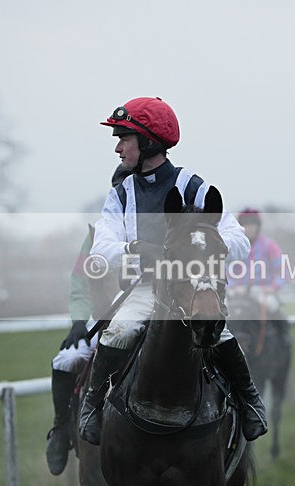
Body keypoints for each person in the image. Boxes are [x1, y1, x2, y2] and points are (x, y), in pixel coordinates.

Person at [77, 96, 267, 445]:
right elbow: (102, 247)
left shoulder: (194, 186)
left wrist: (204, 247)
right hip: (145, 290)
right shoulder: (121, 194)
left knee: (221, 334)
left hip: (192, 286)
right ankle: (91, 407)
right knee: (117, 331)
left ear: (148, 142)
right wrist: (136, 250)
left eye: (124, 139)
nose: (118, 148)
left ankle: (250, 401)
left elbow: (236, 240)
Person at [45, 167, 127, 476]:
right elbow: (80, 282)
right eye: (120, 191)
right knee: (64, 360)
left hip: (149, 317)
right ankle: (61, 430)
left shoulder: (156, 229)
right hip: (104, 322)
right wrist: (79, 321)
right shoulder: (95, 236)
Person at [229, 208, 290, 339]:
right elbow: (225, 271)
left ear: (258, 226)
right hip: (237, 292)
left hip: (262, 292)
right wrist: (232, 286)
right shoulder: (234, 247)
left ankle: (284, 341)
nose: (249, 228)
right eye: (246, 224)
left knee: (274, 309)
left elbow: (283, 271)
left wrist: (272, 287)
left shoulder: (270, 246)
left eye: (252, 224)